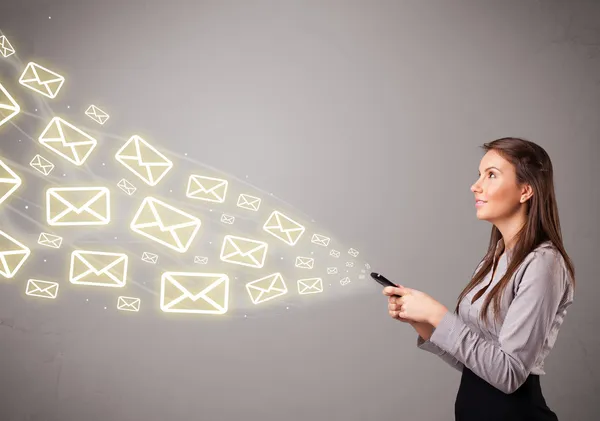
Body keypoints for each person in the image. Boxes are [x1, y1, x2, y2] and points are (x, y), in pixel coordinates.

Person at [383, 137, 575, 421]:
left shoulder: (544, 263)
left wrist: (438, 315)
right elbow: (476, 364)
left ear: (525, 191)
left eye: (492, 175)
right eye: (479, 174)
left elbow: (508, 375)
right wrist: (421, 321)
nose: (476, 185)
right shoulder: (494, 258)